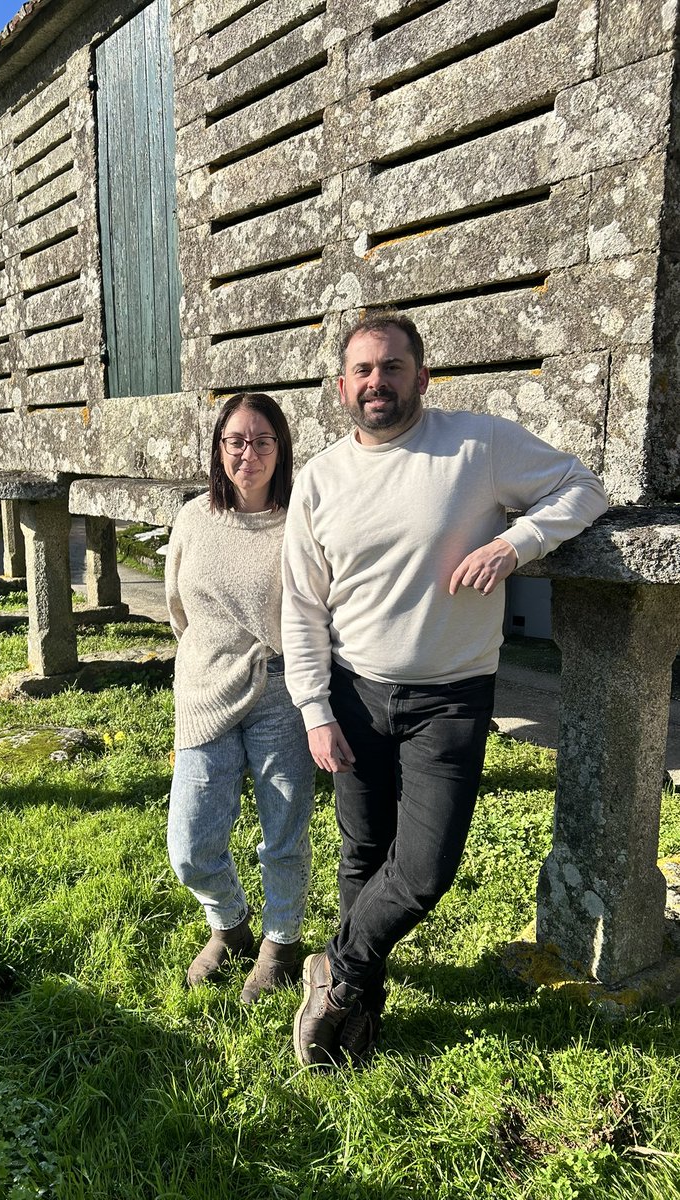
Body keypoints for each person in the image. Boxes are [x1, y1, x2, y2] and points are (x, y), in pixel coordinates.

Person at [281, 309, 608, 1066]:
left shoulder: (479, 445)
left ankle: (335, 970)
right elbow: (300, 605)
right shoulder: (322, 480)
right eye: (362, 369)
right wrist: (314, 710)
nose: (377, 381)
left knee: (424, 871)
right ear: (341, 386)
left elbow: (580, 487)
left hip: (452, 697)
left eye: (393, 367)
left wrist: (514, 541)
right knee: (364, 852)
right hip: (354, 692)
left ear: (422, 377)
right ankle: (358, 1016)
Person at [165, 392, 315, 1004]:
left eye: (262, 441)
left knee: (282, 830)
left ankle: (279, 941)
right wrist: (209, 656)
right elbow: (178, 608)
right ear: (218, 449)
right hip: (205, 687)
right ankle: (229, 923)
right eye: (235, 441)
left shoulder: (301, 517)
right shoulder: (193, 518)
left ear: (280, 450)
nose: (247, 453)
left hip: (281, 688)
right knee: (191, 844)